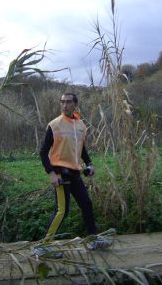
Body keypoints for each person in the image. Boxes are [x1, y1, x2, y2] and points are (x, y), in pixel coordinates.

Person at [35, 93, 111, 257]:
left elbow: (82, 148)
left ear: (75, 104)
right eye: (62, 102)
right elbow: (42, 153)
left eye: (68, 102)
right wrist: (51, 174)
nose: (64, 105)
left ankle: (93, 240)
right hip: (61, 174)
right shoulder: (54, 125)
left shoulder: (81, 125)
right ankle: (43, 247)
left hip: (75, 173)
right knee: (62, 210)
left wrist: (89, 164)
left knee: (87, 204)